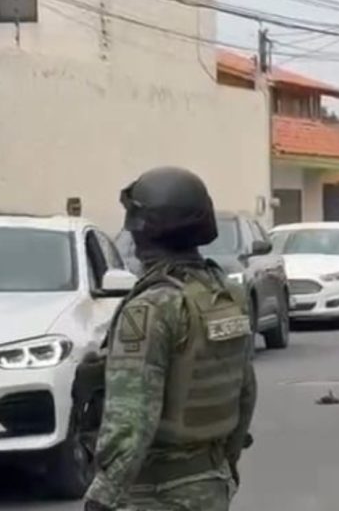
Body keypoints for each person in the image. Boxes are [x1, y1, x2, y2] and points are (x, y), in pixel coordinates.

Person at [84, 167, 256, 511]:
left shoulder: (152, 307)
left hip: (156, 493)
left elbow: (131, 420)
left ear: (144, 231)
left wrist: (101, 497)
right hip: (210, 483)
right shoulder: (225, 294)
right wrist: (226, 464)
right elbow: (245, 391)